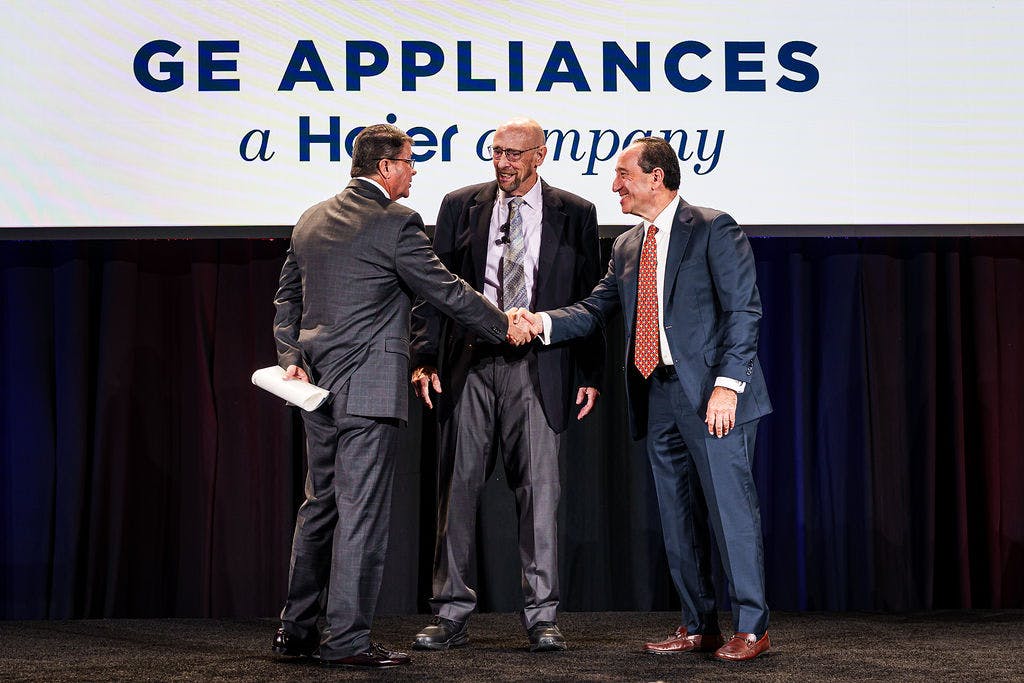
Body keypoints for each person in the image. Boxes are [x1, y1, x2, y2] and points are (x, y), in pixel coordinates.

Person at [270, 123, 530, 669]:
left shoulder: (311, 218)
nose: (414, 171)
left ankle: (295, 632)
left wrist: (291, 357)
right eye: (410, 162)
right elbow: (446, 290)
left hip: (312, 389)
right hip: (366, 392)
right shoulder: (395, 223)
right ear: (386, 167)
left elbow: (286, 300)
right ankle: (346, 642)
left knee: (319, 508)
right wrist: (503, 325)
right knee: (360, 516)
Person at [517, 137, 773, 661]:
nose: (615, 185)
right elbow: (594, 309)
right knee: (676, 515)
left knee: (730, 513)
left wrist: (728, 386)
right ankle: (697, 625)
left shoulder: (711, 227)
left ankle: (752, 627)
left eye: (624, 175)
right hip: (656, 394)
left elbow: (744, 312)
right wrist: (541, 321)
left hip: (713, 396)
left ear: (656, 177)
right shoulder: (629, 246)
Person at [409, 117, 603, 652]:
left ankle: (542, 617)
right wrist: (424, 356)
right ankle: (449, 614)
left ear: (540, 155)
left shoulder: (576, 213)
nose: (503, 164)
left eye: (515, 154)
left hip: (537, 364)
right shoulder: (459, 205)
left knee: (540, 495)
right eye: (496, 153)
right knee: (458, 490)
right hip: (468, 363)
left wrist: (588, 371)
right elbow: (432, 288)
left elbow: (591, 300)